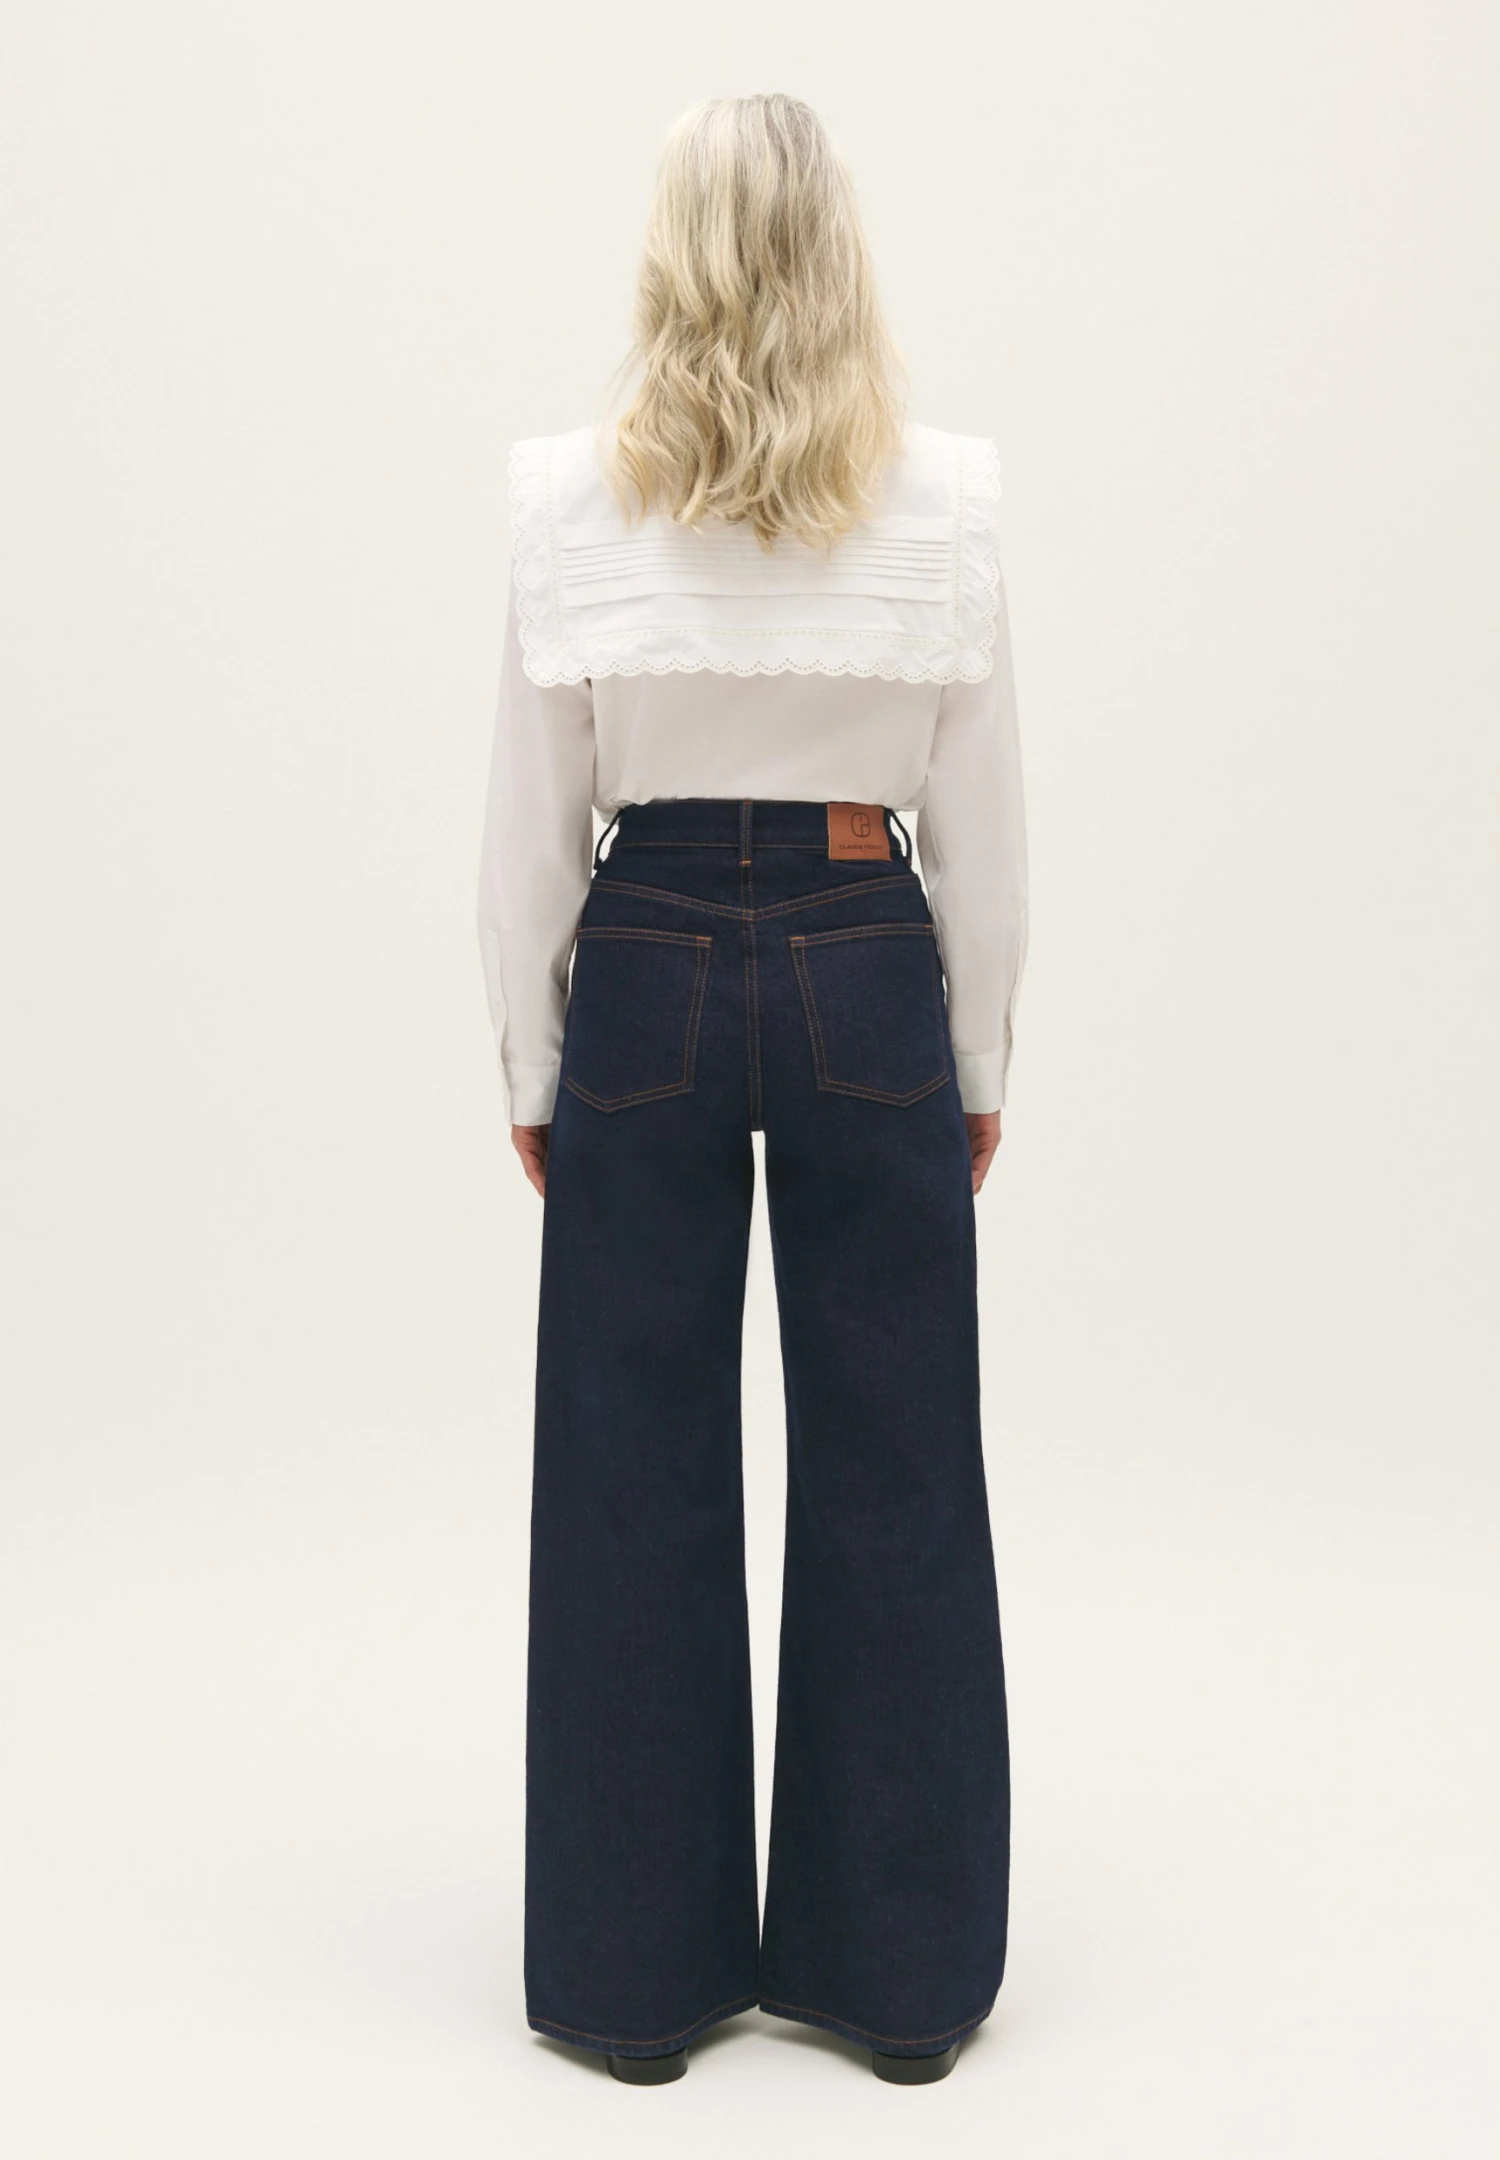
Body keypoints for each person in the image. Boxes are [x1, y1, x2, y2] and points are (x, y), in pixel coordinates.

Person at [476, 92, 1028, 2087]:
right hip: (871, 946)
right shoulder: (946, 495)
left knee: (625, 1464)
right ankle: (900, 1984)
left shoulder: (567, 496)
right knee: (901, 1461)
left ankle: (634, 1986)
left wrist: (535, 1054)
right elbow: (983, 813)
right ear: (842, 253)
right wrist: (978, 1053)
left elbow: (532, 820)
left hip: (647, 960)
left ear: (671, 256)